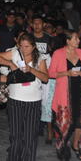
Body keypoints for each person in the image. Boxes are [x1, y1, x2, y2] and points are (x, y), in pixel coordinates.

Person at [0, 33, 48, 161]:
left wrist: (31, 70)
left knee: (30, 137)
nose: (24, 49)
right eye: (21, 46)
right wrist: (11, 64)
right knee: (16, 136)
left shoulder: (40, 58)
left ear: (34, 46)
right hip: (15, 100)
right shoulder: (15, 53)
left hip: (33, 101)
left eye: (27, 46)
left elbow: (45, 78)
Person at [49, 30, 81, 160]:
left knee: (80, 121)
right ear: (67, 41)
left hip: (80, 92)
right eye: (75, 39)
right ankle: (63, 147)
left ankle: (75, 144)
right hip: (64, 94)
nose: (78, 41)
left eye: (78, 39)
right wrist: (66, 73)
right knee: (64, 122)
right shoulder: (58, 53)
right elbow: (51, 73)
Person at [30, 15, 55, 143]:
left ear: (43, 24)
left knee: (47, 103)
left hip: (46, 74)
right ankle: (34, 128)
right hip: (32, 72)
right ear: (31, 24)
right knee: (33, 101)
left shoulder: (49, 39)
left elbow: (53, 55)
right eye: (35, 23)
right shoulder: (28, 38)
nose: (37, 26)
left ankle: (50, 131)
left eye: (39, 23)